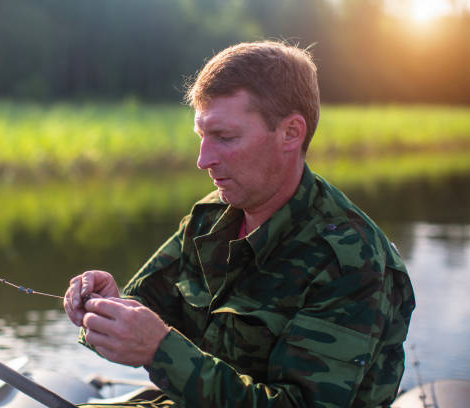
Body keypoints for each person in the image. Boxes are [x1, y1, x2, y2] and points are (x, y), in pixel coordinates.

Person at [63, 41, 415, 407]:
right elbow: (147, 307)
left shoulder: (351, 260)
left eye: (224, 137)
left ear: (291, 133)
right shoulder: (210, 218)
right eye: (202, 137)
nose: (203, 160)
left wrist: (160, 352)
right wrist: (105, 307)